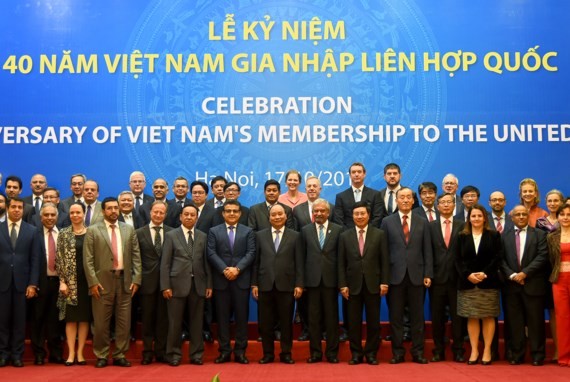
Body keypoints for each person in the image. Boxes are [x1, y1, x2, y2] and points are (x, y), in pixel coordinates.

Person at [83, 197, 142, 368]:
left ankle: (119, 354)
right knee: (101, 323)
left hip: (125, 281)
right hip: (101, 283)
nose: (114, 211)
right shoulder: (93, 230)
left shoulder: (129, 230)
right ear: (103, 211)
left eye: (116, 208)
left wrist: (136, 279)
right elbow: (88, 260)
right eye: (109, 208)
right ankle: (101, 355)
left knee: (124, 323)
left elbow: (136, 256)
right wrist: (93, 282)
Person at [381, 187, 433, 364]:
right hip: (395, 277)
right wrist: (384, 278)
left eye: (408, 197)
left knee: (417, 318)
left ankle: (418, 352)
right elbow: (384, 253)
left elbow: (427, 250)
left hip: (417, 276)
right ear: (396, 200)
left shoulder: (422, 221)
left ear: (413, 200)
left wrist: (428, 273)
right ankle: (398, 353)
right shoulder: (387, 222)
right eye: (401, 197)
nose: (404, 200)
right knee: (396, 318)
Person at [161, 204, 212, 366]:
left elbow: (206, 263)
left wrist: (209, 285)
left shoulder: (203, 236)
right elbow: (165, 263)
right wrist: (165, 286)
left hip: (198, 285)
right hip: (176, 286)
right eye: (186, 214)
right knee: (175, 323)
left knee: (197, 322)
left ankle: (196, 354)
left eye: (193, 215)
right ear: (181, 217)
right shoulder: (171, 235)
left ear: (197, 218)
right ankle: (173, 355)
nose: (189, 217)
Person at [252, 204, 303, 364]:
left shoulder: (295, 236)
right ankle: (267, 354)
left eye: (280, 214)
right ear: (269, 218)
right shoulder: (260, 236)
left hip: (287, 285)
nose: (277, 217)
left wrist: (299, 284)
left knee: (286, 322)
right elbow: (256, 262)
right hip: (264, 284)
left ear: (286, 216)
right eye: (273, 215)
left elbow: (299, 263)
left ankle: (286, 353)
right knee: (265, 323)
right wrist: (254, 284)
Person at [339, 201, 389, 365]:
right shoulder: (345, 235)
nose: (359, 216)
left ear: (368, 215)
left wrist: (384, 282)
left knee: (373, 322)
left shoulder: (379, 234)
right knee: (353, 323)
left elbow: (385, 261)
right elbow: (341, 263)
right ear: (352, 216)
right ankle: (356, 354)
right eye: (356, 214)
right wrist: (343, 284)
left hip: (373, 284)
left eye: (362, 213)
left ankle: (371, 353)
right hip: (352, 286)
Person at [207, 200, 255, 364]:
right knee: (222, 319)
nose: (232, 213)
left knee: (242, 318)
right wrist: (225, 270)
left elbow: (251, 252)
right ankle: (224, 351)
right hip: (221, 281)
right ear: (223, 213)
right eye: (228, 211)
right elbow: (211, 253)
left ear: (240, 213)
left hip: (241, 281)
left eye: (235, 211)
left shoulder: (248, 231)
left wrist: (237, 269)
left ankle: (241, 352)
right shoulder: (214, 231)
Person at [501, 205, 548, 366]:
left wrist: (525, 273)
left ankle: (537, 355)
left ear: (528, 216)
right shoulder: (504, 236)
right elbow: (501, 259)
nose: (521, 217)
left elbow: (542, 256)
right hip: (511, 286)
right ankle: (517, 354)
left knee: (536, 322)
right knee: (515, 323)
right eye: (517, 214)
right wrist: (513, 275)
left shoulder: (540, 235)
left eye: (524, 214)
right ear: (511, 217)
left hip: (533, 284)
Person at [455, 204, 503, 365]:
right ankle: (474, 350)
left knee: (488, 316)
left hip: (488, 282)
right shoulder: (461, 236)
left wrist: (484, 273)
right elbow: (457, 260)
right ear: (469, 219)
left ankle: (487, 349)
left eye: (479, 216)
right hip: (467, 283)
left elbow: (497, 258)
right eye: (473, 216)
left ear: (484, 218)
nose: (476, 219)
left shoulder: (494, 235)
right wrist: (468, 275)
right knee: (472, 316)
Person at [0, 196, 40, 367]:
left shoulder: (32, 230)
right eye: (13, 207)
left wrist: (32, 284)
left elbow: (35, 259)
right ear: (8, 208)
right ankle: (3, 354)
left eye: (20, 207)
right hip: (1, 283)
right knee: (2, 321)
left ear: (23, 210)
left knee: (19, 321)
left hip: (22, 284)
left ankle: (17, 355)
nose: (16, 210)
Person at [302, 198, 343, 364]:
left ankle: (332, 353)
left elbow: (341, 259)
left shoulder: (339, 230)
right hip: (311, 283)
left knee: (332, 318)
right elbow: (301, 257)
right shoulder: (305, 231)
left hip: (331, 282)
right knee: (313, 319)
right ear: (313, 213)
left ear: (328, 213)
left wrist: (342, 283)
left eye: (322, 211)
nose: (319, 213)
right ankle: (316, 353)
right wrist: (301, 282)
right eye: (316, 211)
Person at [428, 193, 465, 362]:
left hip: (458, 279)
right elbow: (427, 253)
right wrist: (427, 274)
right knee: (437, 318)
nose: (446, 205)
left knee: (458, 318)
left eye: (449, 202)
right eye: (442, 203)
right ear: (437, 206)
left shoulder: (463, 226)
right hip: (436, 279)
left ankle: (458, 350)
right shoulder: (431, 226)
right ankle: (438, 350)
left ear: (454, 205)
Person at [136, 200, 172, 365]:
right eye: (155, 212)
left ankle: (161, 351)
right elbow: (135, 259)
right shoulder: (138, 233)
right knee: (147, 319)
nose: (158, 215)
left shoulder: (172, 233)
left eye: (161, 213)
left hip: (166, 284)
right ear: (150, 212)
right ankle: (147, 352)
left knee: (163, 320)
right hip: (146, 283)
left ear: (165, 214)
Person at [56, 202, 91, 366]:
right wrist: (62, 282)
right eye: (72, 212)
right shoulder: (63, 233)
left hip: (87, 282)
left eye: (78, 212)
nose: (75, 215)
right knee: (71, 319)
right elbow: (59, 259)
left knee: (84, 318)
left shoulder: (92, 232)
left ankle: (80, 353)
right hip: (69, 283)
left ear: (84, 214)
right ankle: (70, 354)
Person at [30, 203, 64, 365]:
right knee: (38, 319)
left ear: (57, 217)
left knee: (55, 320)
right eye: (46, 215)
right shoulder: (33, 234)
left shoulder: (63, 234)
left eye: (52, 215)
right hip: (40, 282)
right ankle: (38, 354)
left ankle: (56, 353)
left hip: (59, 283)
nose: (50, 218)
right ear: (40, 217)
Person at [536, 189, 565, 362]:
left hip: (565, 270)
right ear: (546, 202)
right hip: (547, 272)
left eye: (556, 201)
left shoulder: (567, 220)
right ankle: (558, 348)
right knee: (554, 312)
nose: (553, 204)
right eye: (550, 201)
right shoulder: (540, 223)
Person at [546, 204, 570, 367]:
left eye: (569, 214)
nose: (566, 217)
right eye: (562, 214)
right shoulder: (551, 237)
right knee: (562, 318)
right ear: (558, 217)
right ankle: (564, 356)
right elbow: (549, 261)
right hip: (559, 280)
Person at [333, 162, 385, 229]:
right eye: (353, 172)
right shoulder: (341, 196)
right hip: (347, 236)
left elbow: (378, 217)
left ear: (364, 174)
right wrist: (349, 234)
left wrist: (366, 233)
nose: (356, 174)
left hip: (370, 235)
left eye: (359, 172)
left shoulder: (375, 195)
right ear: (350, 175)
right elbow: (338, 220)